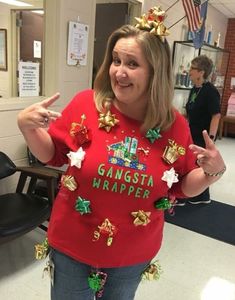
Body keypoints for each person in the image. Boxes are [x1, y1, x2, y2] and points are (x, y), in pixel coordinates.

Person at [17, 7, 226, 300]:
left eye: (132, 63)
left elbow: (181, 185)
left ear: (155, 71)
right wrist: (28, 128)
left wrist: (211, 172)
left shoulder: (172, 124)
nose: (119, 71)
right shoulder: (86, 104)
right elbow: (53, 155)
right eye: (116, 60)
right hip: (72, 246)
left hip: (132, 255)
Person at [185, 55, 221, 205]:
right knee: (191, 162)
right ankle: (190, 193)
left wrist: (210, 139)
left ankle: (201, 196)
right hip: (192, 131)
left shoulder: (210, 91)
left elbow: (216, 115)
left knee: (200, 164)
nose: (189, 71)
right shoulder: (194, 89)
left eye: (192, 68)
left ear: (201, 72)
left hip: (203, 134)